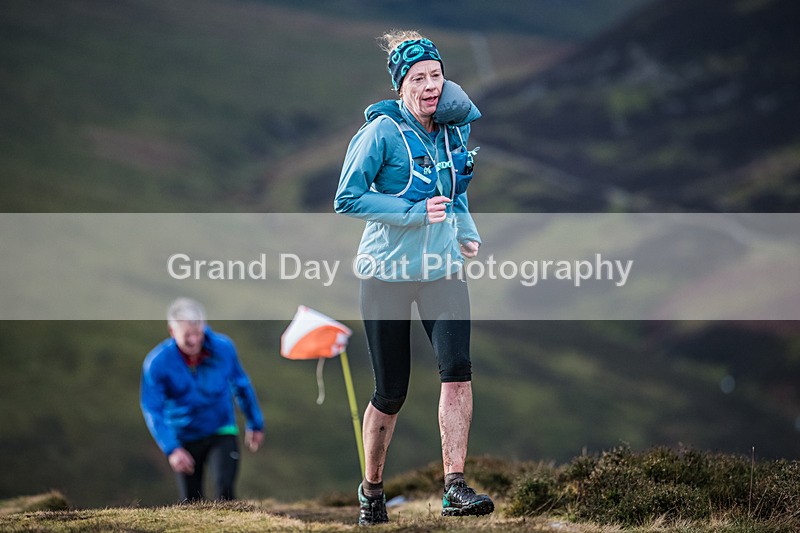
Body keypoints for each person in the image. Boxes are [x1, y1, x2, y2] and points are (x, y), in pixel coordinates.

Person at [334, 30, 493, 525]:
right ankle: (372, 491)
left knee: (457, 368)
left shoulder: (452, 129)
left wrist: (465, 231)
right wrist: (412, 212)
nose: (430, 85)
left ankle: (454, 487)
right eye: (419, 77)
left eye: (436, 75)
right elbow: (347, 197)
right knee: (391, 392)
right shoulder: (380, 134)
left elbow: (456, 188)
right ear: (400, 85)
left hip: (442, 270)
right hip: (386, 274)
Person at [140, 297, 265, 502]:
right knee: (192, 501)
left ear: (204, 327)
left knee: (225, 491)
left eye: (197, 333)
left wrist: (255, 424)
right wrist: (172, 449)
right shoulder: (157, 363)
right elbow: (152, 408)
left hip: (221, 429)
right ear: (172, 332)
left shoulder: (224, 348)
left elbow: (241, 385)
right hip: (184, 436)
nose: (193, 341)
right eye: (186, 335)